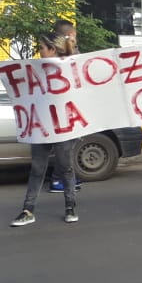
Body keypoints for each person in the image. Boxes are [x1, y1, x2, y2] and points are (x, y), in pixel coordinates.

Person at [10, 33, 81, 226]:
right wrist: (5, 75)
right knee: (37, 169)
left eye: (41, 48)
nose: (38, 51)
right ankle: (28, 210)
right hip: (41, 127)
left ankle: (70, 206)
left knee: (65, 168)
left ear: (52, 50)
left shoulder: (69, 68)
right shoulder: (35, 70)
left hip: (63, 128)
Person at [48, 19, 81, 193]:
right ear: (70, 35)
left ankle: (67, 177)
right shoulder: (66, 56)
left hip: (66, 109)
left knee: (67, 146)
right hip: (64, 110)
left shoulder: (52, 55)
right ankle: (58, 180)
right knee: (65, 147)